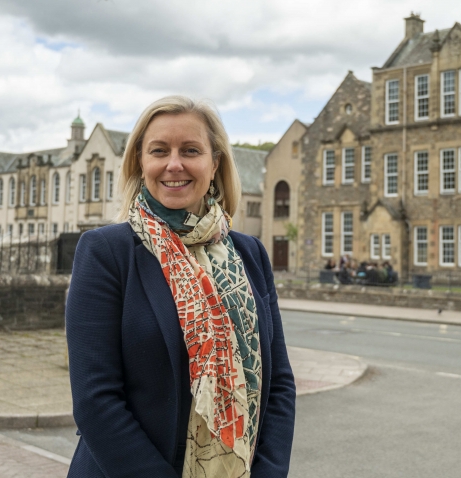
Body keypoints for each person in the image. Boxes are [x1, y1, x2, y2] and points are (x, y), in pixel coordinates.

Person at [65, 96, 295, 478]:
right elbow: (95, 399)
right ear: (141, 162)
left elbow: (281, 383)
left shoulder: (250, 253)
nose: (175, 164)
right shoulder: (107, 252)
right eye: (159, 151)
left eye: (191, 150)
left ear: (214, 163)